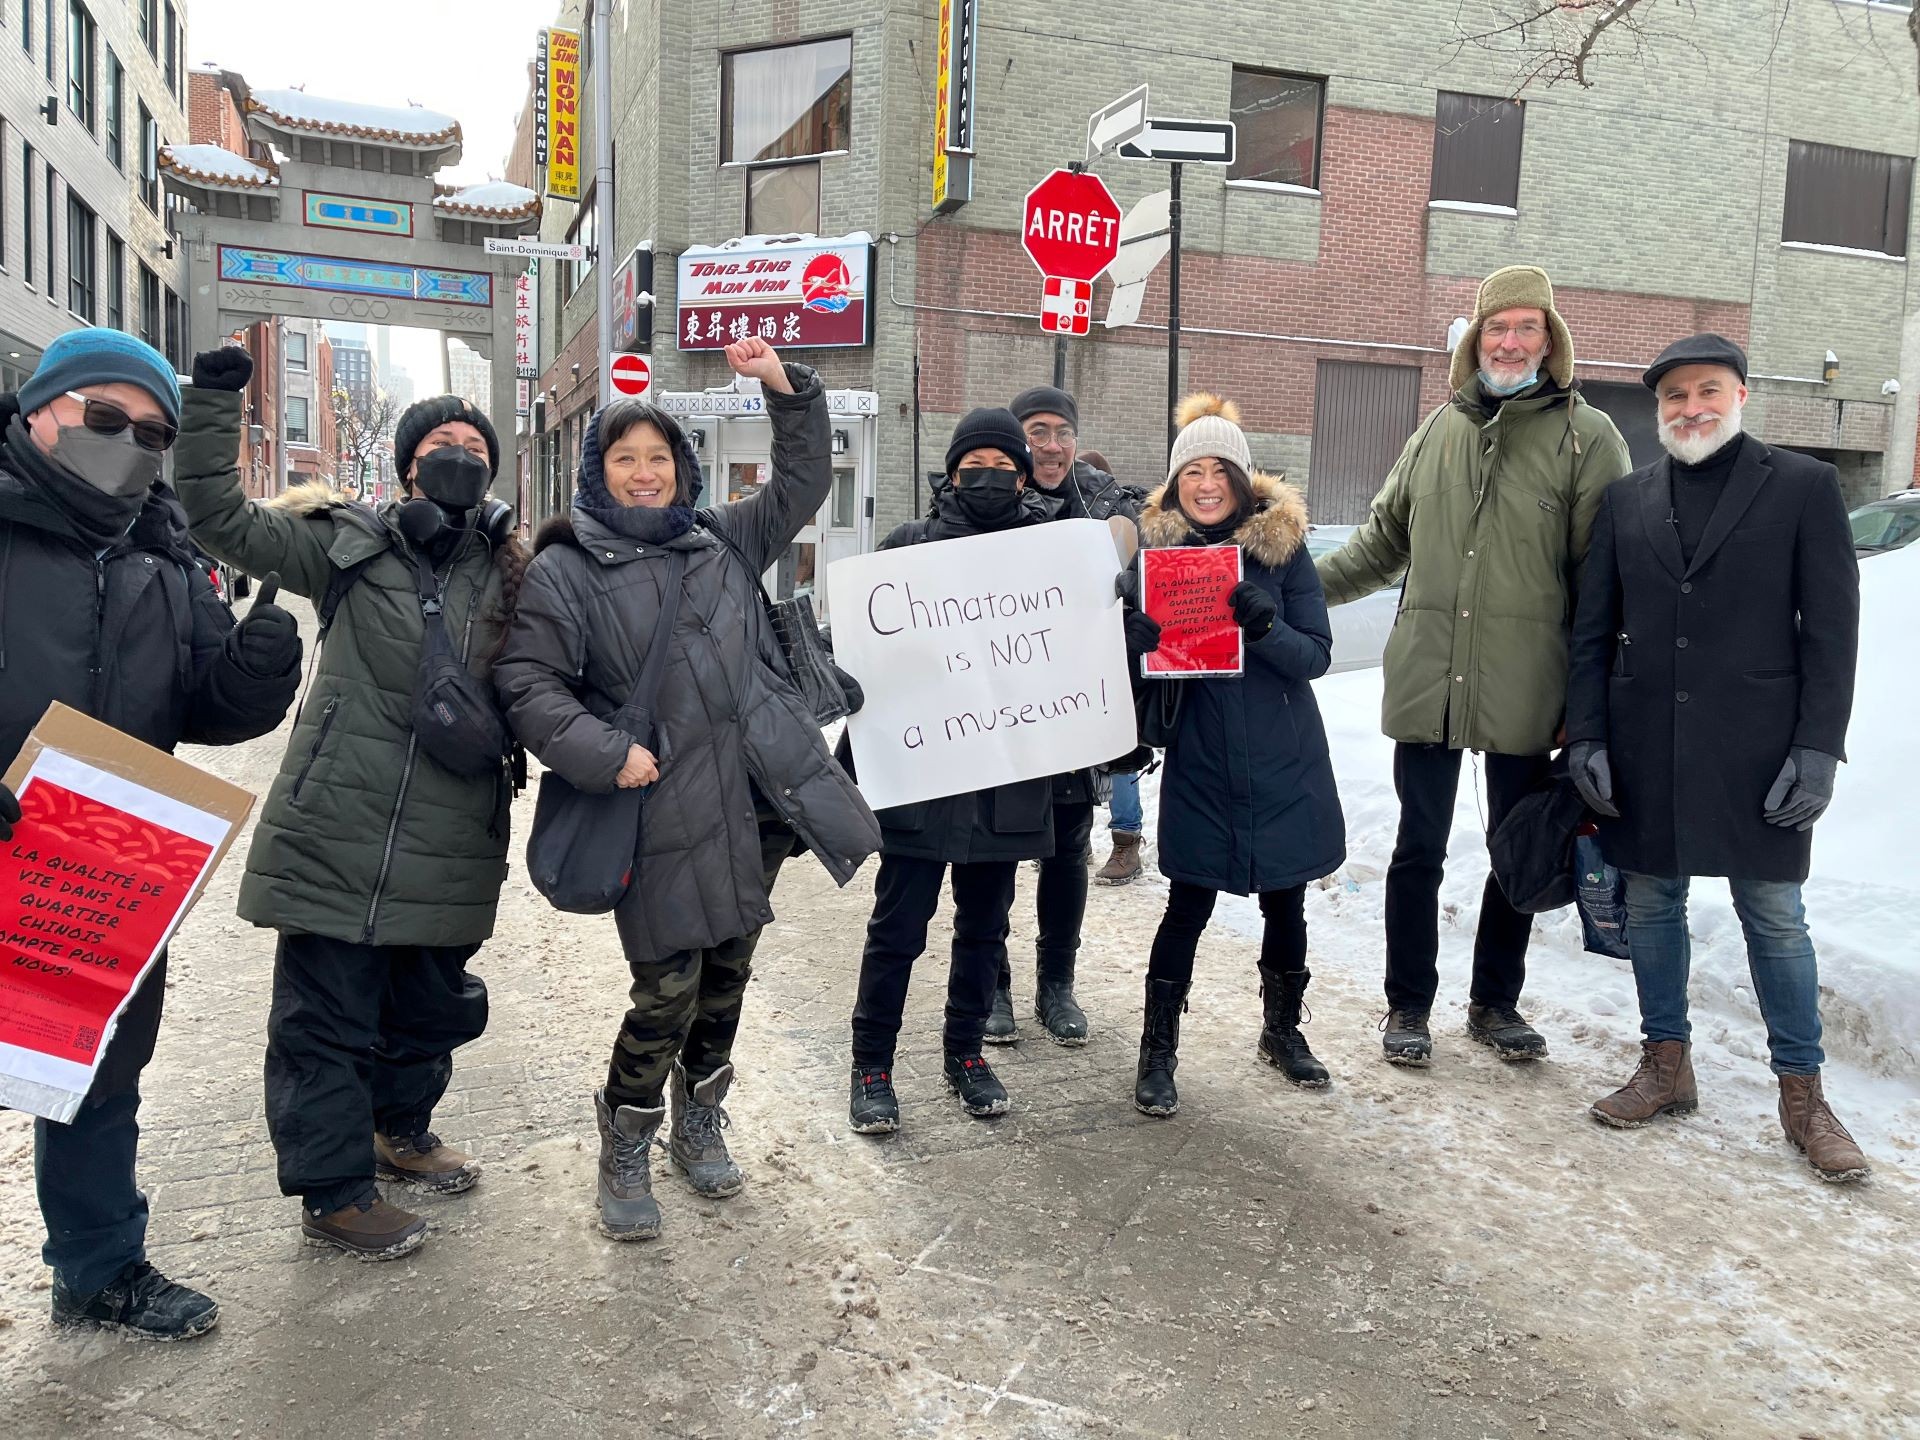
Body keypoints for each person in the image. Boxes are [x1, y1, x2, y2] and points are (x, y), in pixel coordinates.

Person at [494, 338, 880, 1240]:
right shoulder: (566, 569)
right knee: (664, 990)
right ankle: (625, 1136)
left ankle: (700, 1119)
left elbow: (801, 479)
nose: (642, 473)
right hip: (657, 804)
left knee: (729, 977)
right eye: (624, 458)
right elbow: (529, 686)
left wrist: (786, 385)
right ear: (599, 471)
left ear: (682, 469)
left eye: (657, 458)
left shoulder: (723, 540)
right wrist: (603, 752)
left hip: (756, 802)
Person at [175, 351, 525, 1260]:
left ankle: (399, 1131)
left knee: (427, 1008)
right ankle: (333, 1190)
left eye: (473, 444)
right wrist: (214, 404)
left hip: (455, 831)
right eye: (440, 442)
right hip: (339, 823)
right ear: (407, 467)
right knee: (323, 1018)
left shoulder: (517, 570)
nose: (457, 453)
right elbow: (217, 517)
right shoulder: (346, 545)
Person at [0, 329, 301, 1338]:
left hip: (99, 862)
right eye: (103, 418)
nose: (127, 443)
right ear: (41, 410)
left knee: (94, 1073)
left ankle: (97, 1266)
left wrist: (256, 675)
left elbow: (204, 703)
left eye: (151, 433)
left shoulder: (168, 556)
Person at [1566, 334, 1868, 1182]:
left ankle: (1803, 1097)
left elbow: (1833, 633)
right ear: (1658, 410)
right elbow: (1591, 630)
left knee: (1774, 917)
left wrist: (1817, 748)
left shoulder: (1805, 486)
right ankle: (1667, 1064)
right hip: (1646, 747)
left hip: (1760, 751)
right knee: (1653, 905)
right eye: (1673, 397)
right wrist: (1585, 733)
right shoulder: (1628, 498)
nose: (1690, 408)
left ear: (1740, 394)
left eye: (1707, 391)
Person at [1316, 266, 1632, 1067]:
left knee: (1514, 849)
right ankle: (1407, 1008)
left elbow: (1605, 581)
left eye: (1528, 328)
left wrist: (1588, 700)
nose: (1511, 342)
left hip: (1530, 681)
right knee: (1416, 846)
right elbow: (1381, 542)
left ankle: (1495, 1002)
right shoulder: (1437, 432)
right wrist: (1286, 586)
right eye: (1498, 328)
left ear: (1550, 341)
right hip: (1430, 676)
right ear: (1475, 341)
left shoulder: (1587, 438)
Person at [1126, 395, 1346, 1115]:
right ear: (1175, 481)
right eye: (1193, 470)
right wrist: (1133, 638)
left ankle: (1281, 1033)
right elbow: (1132, 677)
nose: (1208, 482)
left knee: (1287, 903)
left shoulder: (1283, 553)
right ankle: (1157, 1053)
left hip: (1284, 762)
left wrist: (1266, 625)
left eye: (1222, 468)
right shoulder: (1156, 559)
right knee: (1187, 905)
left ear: (1246, 479)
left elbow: (1314, 655)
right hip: (1201, 762)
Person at [843, 408, 1056, 1133]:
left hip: (1007, 785)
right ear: (952, 473)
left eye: (1004, 467)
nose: (989, 478)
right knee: (897, 929)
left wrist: (1117, 626)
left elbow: (1072, 658)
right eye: (975, 467)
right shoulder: (909, 549)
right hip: (920, 783)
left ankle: (965, 1052)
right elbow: (868, 653)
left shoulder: (1049, 560)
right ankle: (871, 1064)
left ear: (1024, 477)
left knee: (985, 929)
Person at [982, 387, 1147, 1045]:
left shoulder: (1110, 508)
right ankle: (988, 987)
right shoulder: (986, 502)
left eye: (1062, 432)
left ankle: (1057, 986)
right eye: (1037, 430)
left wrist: (1132, 621)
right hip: (1000, 715)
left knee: (1067, 851)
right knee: (990, 856)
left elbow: (1141, 577)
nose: (1050, 445)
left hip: (1076, 714)